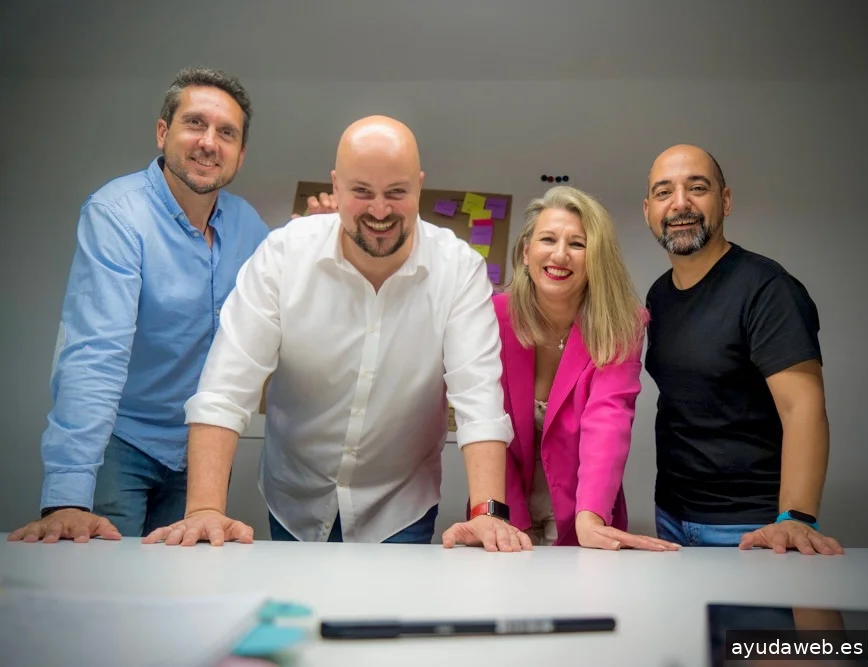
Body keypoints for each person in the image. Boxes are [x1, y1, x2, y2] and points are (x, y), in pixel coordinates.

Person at [143, 115, 532, 552]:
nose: (380, 211)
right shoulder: (284, 254)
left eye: (397, 192)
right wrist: (203, 509)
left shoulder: (459, 270)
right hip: (295, 496)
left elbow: (478, 398)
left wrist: (487, 513)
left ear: (419, 187)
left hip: (399, 505)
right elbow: (224, 388)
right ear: (336, 185)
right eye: (362, 191)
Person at [8, 67, 269, 543]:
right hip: (120, 444)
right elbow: (95, 353)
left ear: (241, 153)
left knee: (183, 580)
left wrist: (325, 235)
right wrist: (68, 499)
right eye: (195, 123)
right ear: (163, 132)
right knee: (103, 578)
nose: (209, 142)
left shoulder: (248, 226)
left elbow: (282, 313)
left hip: (201, 450)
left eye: (226, 133)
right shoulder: (117, 214)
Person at [642, 143, 843, 555]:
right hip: (672, 517)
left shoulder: (768, 289)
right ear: (648, 211)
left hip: (751, 527)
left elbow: (803, 408)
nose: (680, 203)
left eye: (697, 187)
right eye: (664, 192)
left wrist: (796, 517)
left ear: (726, 200)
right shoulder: (658, 295)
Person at [492, 185, 680, 551]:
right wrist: (506, 518)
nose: (560, 254)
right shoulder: (492, 317)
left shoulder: (621, 324)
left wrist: (591, 516)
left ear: (597, 259)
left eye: (578, 244)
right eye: (548, 239)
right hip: (503, 497)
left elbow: (608, 417)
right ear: (527, 251)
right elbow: (489, 423)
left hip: (585, 505)